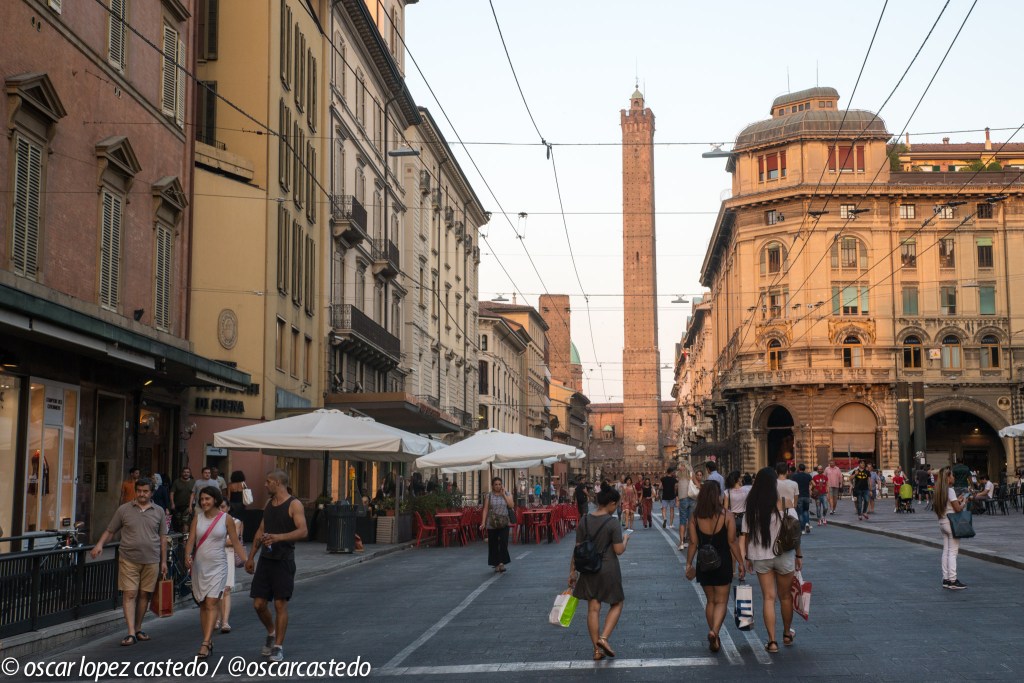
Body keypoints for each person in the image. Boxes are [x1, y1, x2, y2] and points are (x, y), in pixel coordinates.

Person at [90, 477, 167, 646]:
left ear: (151, 492)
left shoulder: (159, 511)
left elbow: (163, 538)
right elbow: (110, 531)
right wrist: (99, 545)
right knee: (130, 593)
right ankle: (131, 632)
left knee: (144, 595)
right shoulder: (124, 509)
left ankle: (138, 628)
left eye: (145, 491)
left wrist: (163, 561)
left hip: (152, 559)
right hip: (128, 559)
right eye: (139, 491)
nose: (141, 494)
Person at [245, 470, 308, 663]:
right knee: (258, 604)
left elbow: (303, 531)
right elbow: (261, 530)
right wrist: (251, 557)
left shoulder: (294, 504)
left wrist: (279, 537)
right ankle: (271, 632)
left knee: (280, 604)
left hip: (284, 560)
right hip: (266, 560)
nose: (265, 485)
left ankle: (278, 647)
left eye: (268, 482)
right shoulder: (269, 504)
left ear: (279, 483)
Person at [743, 467, 802, 653]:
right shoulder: (786, 505)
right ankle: (786, 634)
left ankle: (772, 642)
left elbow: (745, 534)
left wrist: (746, 558)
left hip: (760, 557)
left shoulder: (751, 507)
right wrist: (799, 555)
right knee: (785, 597)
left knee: (769, 598)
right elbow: (795, 534)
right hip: (784, 555)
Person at [568, 483, 629, 661]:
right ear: (610, 503)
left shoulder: (584, 520)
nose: (616, 508)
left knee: (593, 608)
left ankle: (596, 650)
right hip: (608, 568)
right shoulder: (612, 522)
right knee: (617, 603)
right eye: (616, 505)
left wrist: (572, 572)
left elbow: (577, 549)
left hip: (588, 568)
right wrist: (625, 540)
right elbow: (618, 550)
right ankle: (603, 638)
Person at [185, 486, 246, 658]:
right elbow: (191, 540)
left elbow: (235, 542)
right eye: (202, 499)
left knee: (211, 603)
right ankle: (208, 638)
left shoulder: (225, 519)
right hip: (199, 566)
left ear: (215, 500)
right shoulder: (197, 518)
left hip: (218, 566)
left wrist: (247, 561)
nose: (204, 502)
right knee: (203, 604)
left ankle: (205, 643)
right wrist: (186, 555)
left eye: (207, 499)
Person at [685, 480, 744, 653]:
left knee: (710, 601)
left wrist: (688, 564)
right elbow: (732, 542)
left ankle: (715, 637)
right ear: (717, 496)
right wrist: (741, 562)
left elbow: (693, 543)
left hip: (704, 563)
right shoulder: (727, 515)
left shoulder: (695, 516)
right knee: (722, 601)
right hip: (723, 562)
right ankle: (715, 631)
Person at [933, 466, 970, 589]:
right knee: (953, 552)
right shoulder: (950, 491)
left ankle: (946, 579)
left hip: (942, 522)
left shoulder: (938, 491)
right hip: (951, 523)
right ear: (948, 478)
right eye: (952, 475)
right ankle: (953, 580)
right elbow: (958, 509)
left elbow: (949, 505)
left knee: (946, 551)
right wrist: (964, 502)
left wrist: (957, 501)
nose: (954, 477)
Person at [217, 499, 244, 634]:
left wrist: (215, 540)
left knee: (226, 589)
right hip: (214, 556)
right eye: (218, 507)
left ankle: (225, 621)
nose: (220, 509)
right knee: (215, 590)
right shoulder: (212, 520)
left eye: (223, 507)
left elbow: (232, 541)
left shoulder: (235, 521)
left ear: (228, 507)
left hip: (228, 555)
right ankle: (216, 618)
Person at [480, 476, 515, 573]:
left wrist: (504, 495)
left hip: (504, 522)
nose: (498, 486)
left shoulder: (507, 494)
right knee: (493, 544)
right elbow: (485, 509)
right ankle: (495, 564)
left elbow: (511, 505)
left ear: (502, 485)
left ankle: (502, 563)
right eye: (496, 484)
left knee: (503, 542)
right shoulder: (489, 496)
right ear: (492, 486)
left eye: (499, 484)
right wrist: (483, 522)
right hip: (492, 522)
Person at [679, 468, 702, 550]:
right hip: (692, 499)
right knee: (691, 521)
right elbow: (698, 485)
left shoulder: (679, 474)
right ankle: (691, 541)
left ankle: (681, 543)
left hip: (682, 499)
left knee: (682, 521)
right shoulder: (691, 473)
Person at [790, 464, 813, 534]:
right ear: (804, 469)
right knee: (806, 510)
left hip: (799, 496)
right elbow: (814, 484)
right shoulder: (808, 475)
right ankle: (807, 523)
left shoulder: (795, 476)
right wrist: (810, 489)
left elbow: (792, 485)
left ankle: (802, 529)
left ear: (798, 468)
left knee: (800, 513)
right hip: (806, 496)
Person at [170, 466, 195, 533]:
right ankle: (179, 538)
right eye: (184, 472)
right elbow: (172, 493)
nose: (186, 474)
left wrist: (190, 506)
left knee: (186, 522)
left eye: (188, 472)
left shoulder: (193, 482)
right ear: (181, 473)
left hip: (187, 506)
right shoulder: (176, 482)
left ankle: (184, 540)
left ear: (190, 473)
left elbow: (194, 494)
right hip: (177, 506)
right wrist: (172, 503)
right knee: (178, 522)